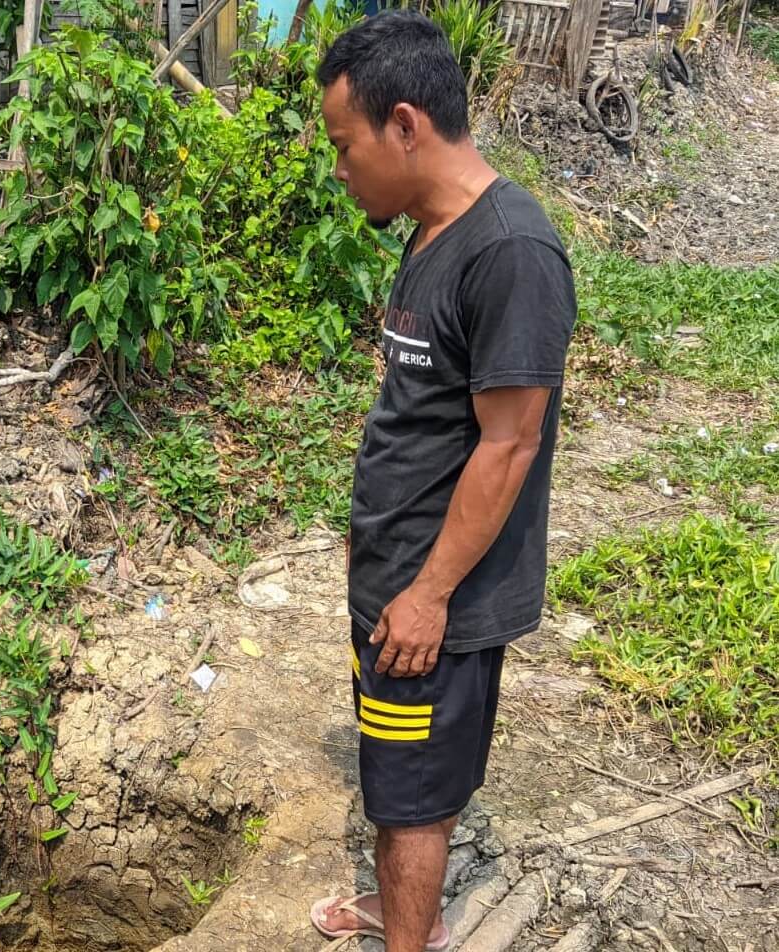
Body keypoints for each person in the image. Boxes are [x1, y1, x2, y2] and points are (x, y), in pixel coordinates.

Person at [310, 10, 577, 952]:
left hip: (436, 604)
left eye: (346, 146)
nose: (340, 169)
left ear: (407, 125)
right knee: (398, 779)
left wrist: (427, 595)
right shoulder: (431, 233)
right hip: (395, 577)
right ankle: (400, 910)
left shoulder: (511, 252)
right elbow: (420, 416)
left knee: (413, 798)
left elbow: (509, 444)